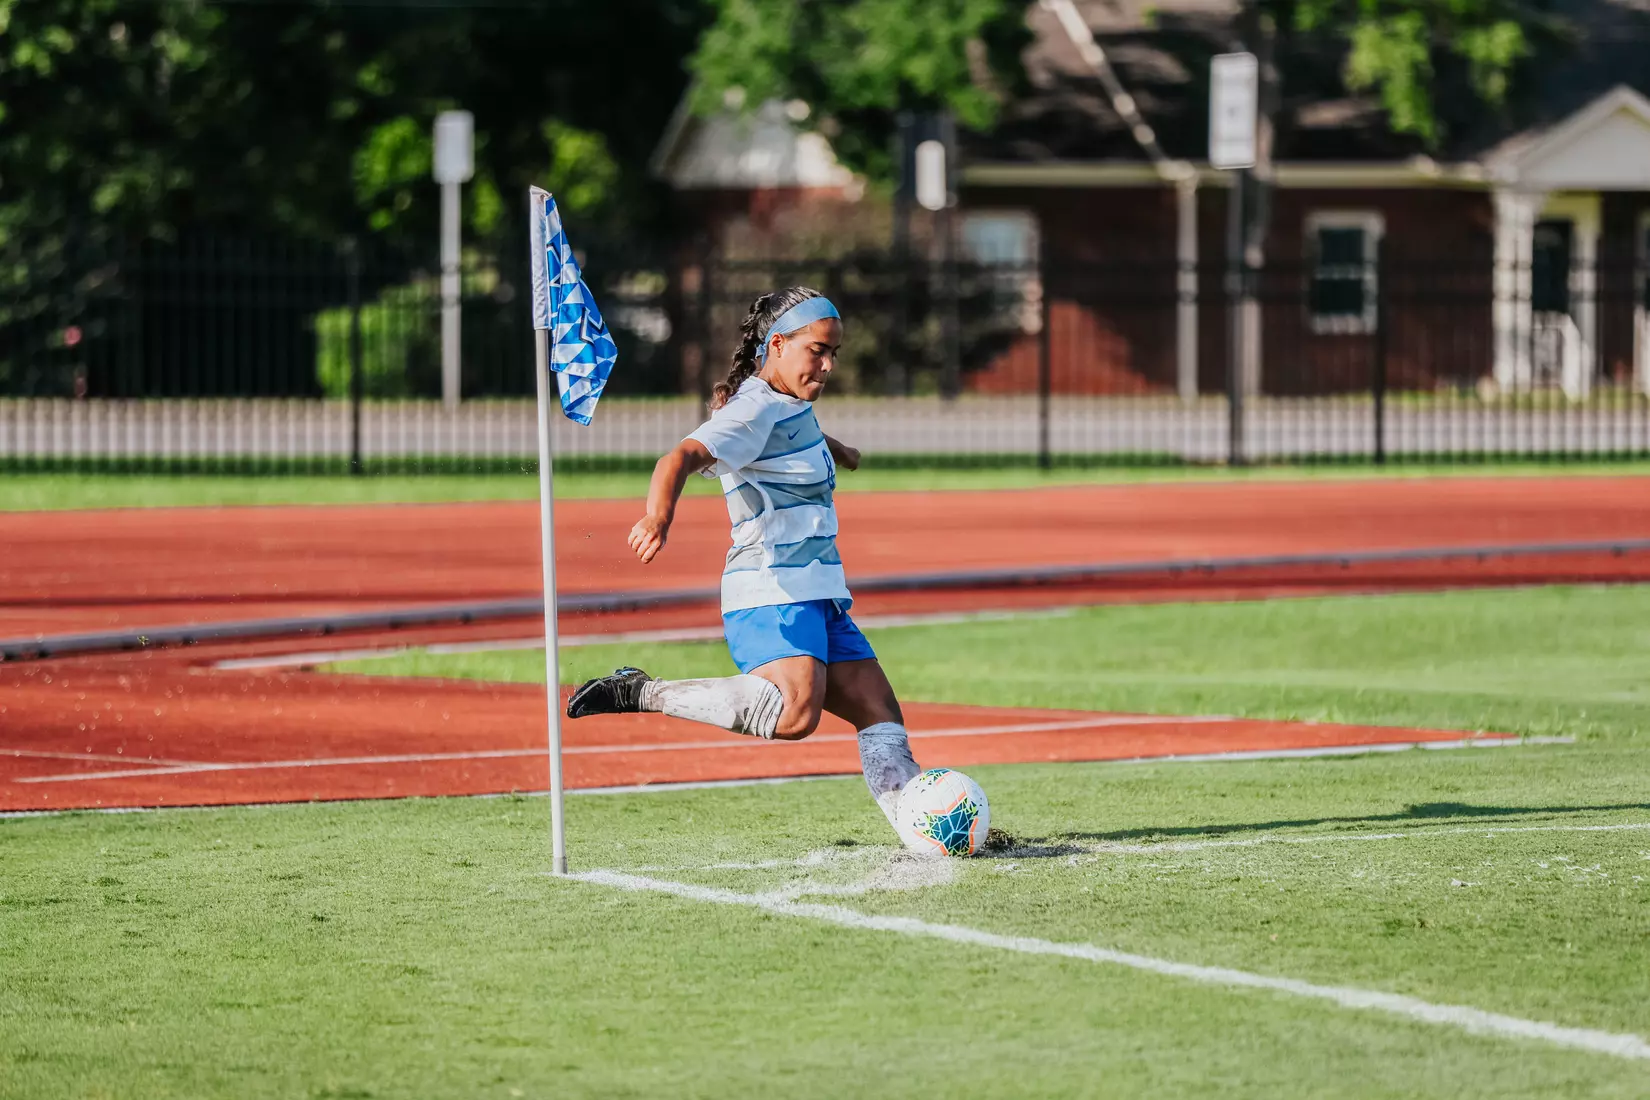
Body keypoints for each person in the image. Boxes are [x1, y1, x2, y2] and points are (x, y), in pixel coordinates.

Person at [565, 286, 920, 836]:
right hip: (771, 588)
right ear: (777, 344)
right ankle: (641, 691)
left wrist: (837, 449)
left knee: (879, 713)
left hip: (819, 592)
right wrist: (658, 517)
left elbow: (790, 428)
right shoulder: (753, 407)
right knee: (795, 714)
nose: (827, 366)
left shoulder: (785, 404)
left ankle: (924, 832)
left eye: (834, 354)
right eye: (817, 351)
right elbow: (679, 456)